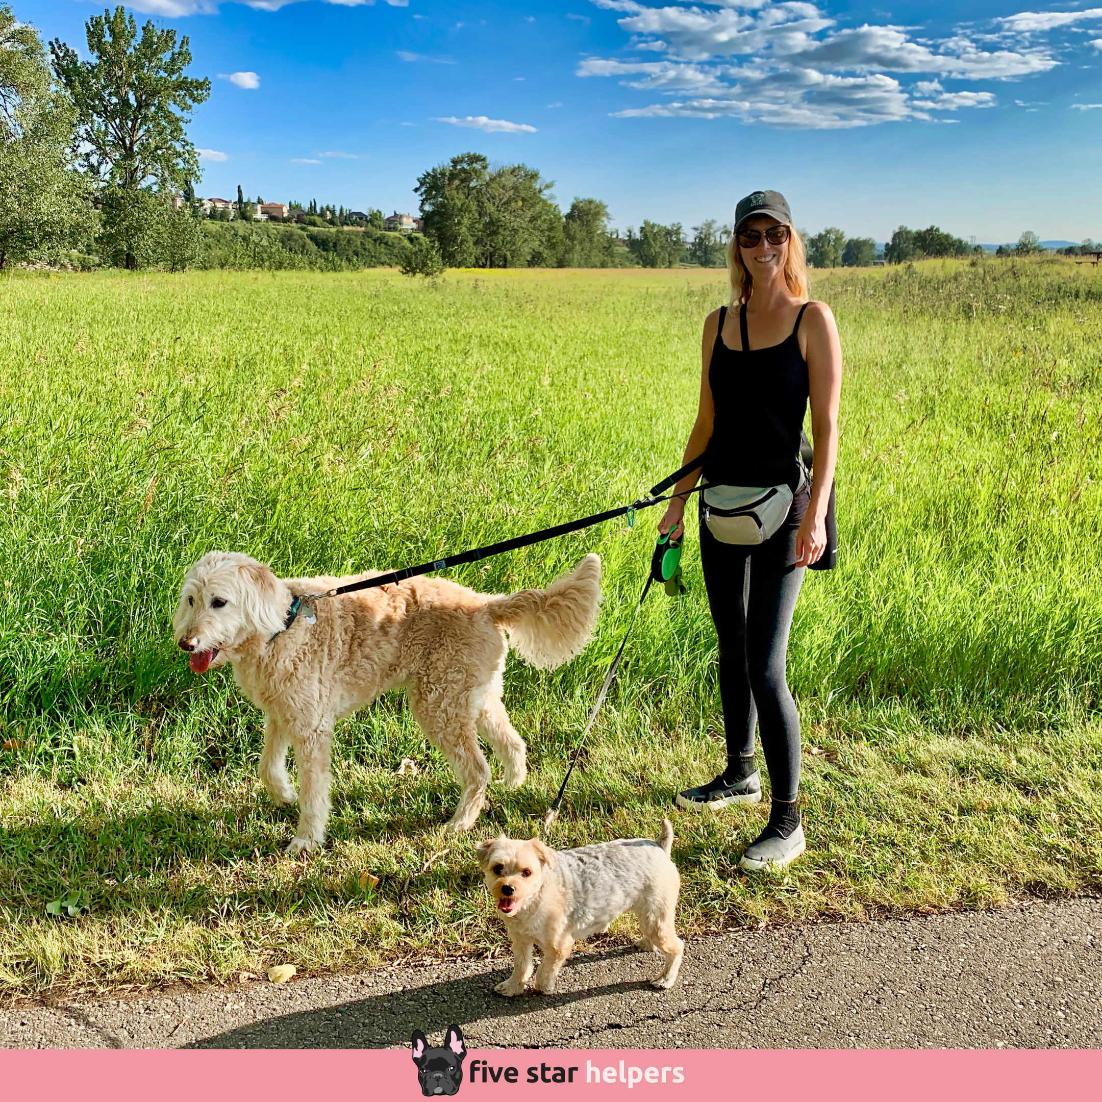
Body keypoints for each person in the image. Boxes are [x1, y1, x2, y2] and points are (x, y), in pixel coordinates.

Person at [658, 189, 842, 871]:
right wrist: (676, 507)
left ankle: (788, 822)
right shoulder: (719, 324)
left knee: (766, 664)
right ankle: (739, 772)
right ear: (736, 246)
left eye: (775, 234)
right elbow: (705, 424)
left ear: (791, 241)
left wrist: (817, 512)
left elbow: (825, 430)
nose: (763, 246)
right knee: (729, 648)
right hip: (719, 502)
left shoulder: (812, 319)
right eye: (750, 236)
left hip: (784, 507)